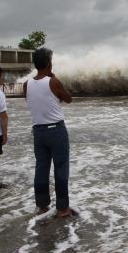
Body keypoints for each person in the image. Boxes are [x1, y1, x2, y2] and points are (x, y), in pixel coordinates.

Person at [23, 48, 73, 217]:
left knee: (41, 168)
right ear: (49, 63)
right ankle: (62, 208)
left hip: (38, 131)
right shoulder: (53, 82)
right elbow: (68, 98)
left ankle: (42, 205)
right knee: (60, 168)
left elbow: (36, 100)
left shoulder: (26, 84)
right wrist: (55, 81)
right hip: (56, 131)